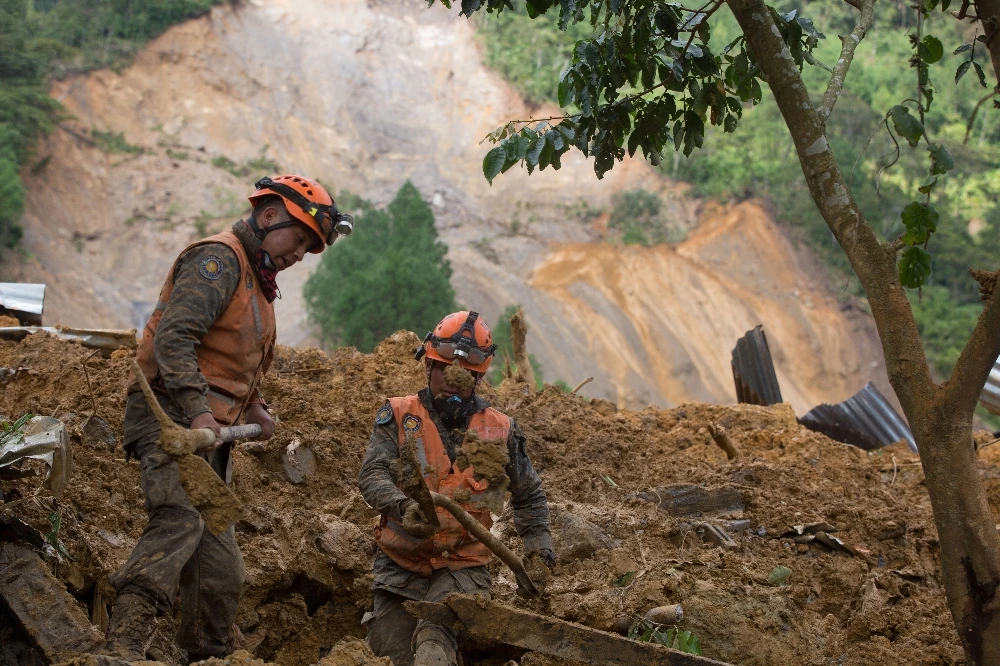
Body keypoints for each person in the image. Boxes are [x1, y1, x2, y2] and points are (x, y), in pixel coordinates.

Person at [106, 175, 353, 662]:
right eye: (299, 239)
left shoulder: (256, 284)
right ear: (268, 216)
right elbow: (175, 340)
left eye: (309, 248)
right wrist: (200, 413)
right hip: (170, 418)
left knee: (221, 568)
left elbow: (233, 361)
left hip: (207, 436)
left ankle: (207, 655)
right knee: (178, 520)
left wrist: (255, 408)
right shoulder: (217, 261)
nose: (299, 254)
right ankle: (123, 644)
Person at [359, 311, 555, 666]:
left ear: (478, 377)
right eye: (444, 371)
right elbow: (372, 474)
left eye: (465, 375)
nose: (453, 381)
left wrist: (539, 551)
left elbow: (530, 496)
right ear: (428, 367)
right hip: (400, 568)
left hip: (463, 569)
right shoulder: (400, 415)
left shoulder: (501, 430)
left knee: (435, 636)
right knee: (393, 653)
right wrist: (403, 507)